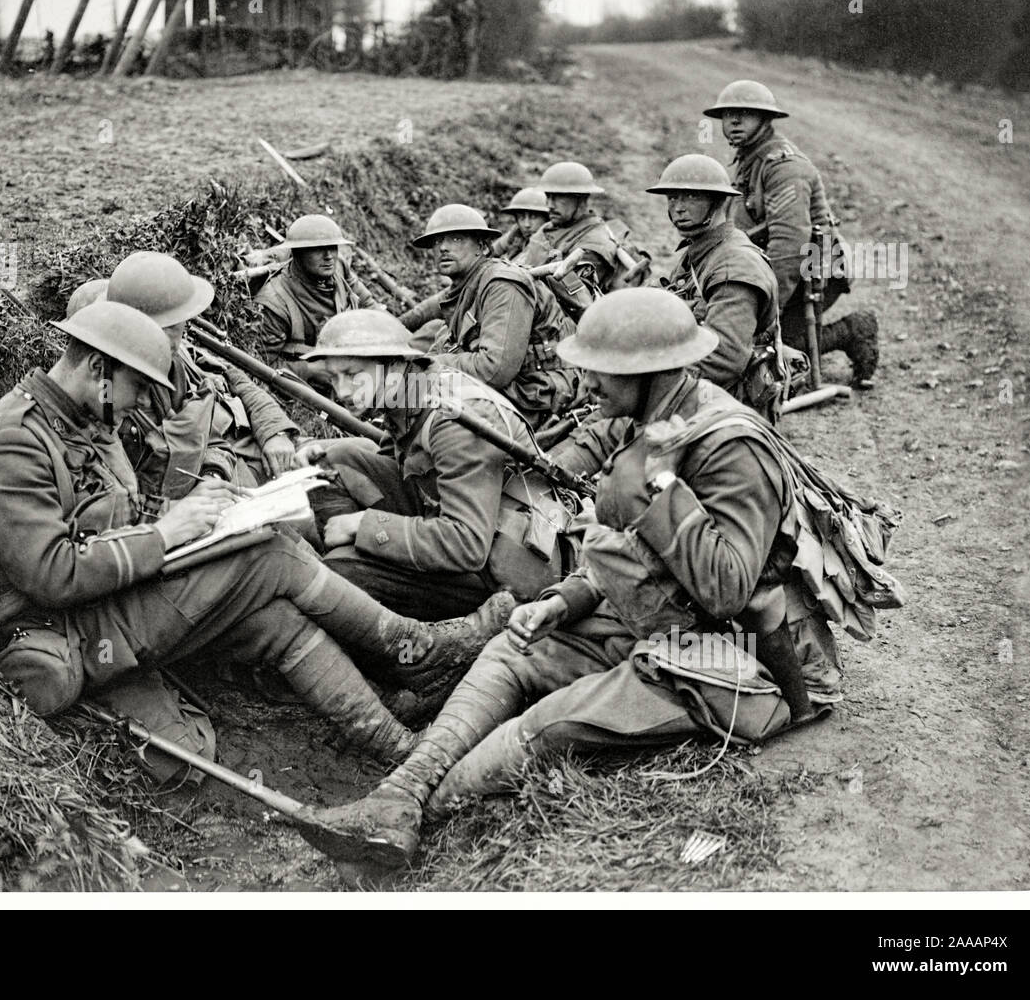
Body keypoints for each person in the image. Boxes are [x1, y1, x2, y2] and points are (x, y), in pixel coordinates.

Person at [294, 289, 895, 877]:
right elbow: (628, 552)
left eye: (600, 372)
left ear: (650, 371)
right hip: (665, 619)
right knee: (514, 646)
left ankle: (409, 815)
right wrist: (565, 598)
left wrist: (658, 491)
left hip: (745, 657)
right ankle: (399, 792)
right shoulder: (651, 418)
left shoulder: (730, 446)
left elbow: (732, 590)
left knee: (540, 728)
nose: (585, 385)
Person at [0, 300, 515, 784]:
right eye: (138, 388)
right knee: (266, 554)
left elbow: (119, 514)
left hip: (114, 594)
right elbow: (51, 575)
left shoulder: (85, 419)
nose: (137, 404)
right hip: (71, 627)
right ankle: (413, 647)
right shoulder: (10, 443)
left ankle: (396, 742)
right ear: (100, 368)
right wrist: (165, 533)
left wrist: (189, 514)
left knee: (271, 615)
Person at [296, 309, 574, 624]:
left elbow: (468, 544)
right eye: (333, 378)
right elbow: (400, 461)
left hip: (501, 571)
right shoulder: (411, 389)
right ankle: (357, 563)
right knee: (331, 463)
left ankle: (427, 641)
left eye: (352, 374)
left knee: (342, 574)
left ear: (394, 364)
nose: (342, 392)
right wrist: (320, 452)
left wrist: (365, 525)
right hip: (457, 520)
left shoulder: (451, 419)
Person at [704, 79, 879, 387]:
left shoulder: (784, 167)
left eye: (745, 113)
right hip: (779, 270)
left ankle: (854, 330)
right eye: (728, 113)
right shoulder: (750, 158)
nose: (733, 120)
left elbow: (790, 246)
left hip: (811, 274)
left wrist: (766, 309)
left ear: (765, 119)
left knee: (759, 347)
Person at [96, 251, 299, 497]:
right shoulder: (117, 391)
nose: (174, 336)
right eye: (168, 326)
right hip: (231, 473)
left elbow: (239, 382)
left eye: (175, 325)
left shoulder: (184, 355)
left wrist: (274, 432)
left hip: (256, 448)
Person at [397, 204, 581, 429]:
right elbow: (448, 347)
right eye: (437, 241)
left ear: (483, 248)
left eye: (456, 239)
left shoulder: (502, 285)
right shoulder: (466, 287)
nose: (443, 248)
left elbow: (494, 369)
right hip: (514, 388)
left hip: (536, 392)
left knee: (437, 422)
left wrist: (429, 366)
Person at [649, 154, 786, 422]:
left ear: (719, 201)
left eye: (691, 197)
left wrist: (650, 383)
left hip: (729, 411)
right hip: (701, 390)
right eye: (672, 197)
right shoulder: (701, 250)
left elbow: (723, 358)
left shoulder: (734, 265)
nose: (678, 208)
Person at [256, 214, 384, 386]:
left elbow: (368, 304)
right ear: (297, 252)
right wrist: (310, 370)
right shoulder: (276, 303)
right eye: (318, 248)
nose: (329, 256)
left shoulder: (338, 267)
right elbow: (262, 365)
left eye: (332, 247)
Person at [514, 161, 644, 316]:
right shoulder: (548, 228)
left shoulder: (595, 241)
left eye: (558, 197)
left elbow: (577, 296)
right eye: (548, 196)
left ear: (580, 199)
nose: (549, 204)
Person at [491, 188, 549, 263]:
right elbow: (491, 251)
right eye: (521, 218)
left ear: (546, 218)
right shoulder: (516, 233)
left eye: (533, 217)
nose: (527, 224)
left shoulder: (552, 240)